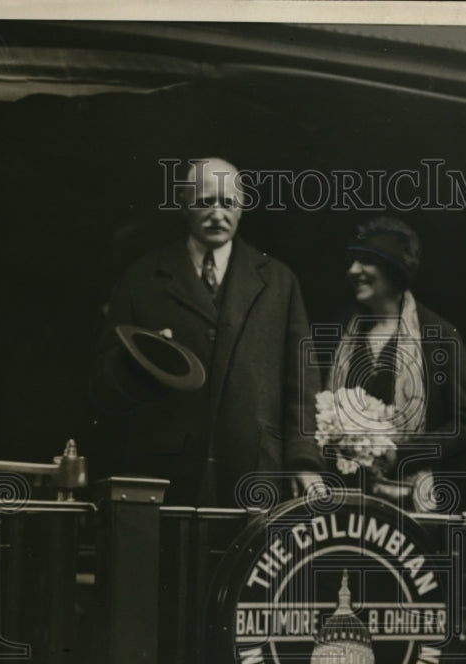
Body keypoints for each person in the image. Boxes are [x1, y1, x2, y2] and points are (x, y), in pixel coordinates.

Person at [90, 157, 324, 507]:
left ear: (242, 208)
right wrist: (138, 364)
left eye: (228, 203)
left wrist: (304, 461)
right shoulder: (142, 279)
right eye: (205, 201)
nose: (217, 213)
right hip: (165, 472)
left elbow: (302, 382)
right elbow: (105, 384)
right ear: (184, 204)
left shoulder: (278, 281)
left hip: (255, 470)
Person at [323, 216, 466, 501]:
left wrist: (400, 454)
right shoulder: (342, 333)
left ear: (393, 269)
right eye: (352, 261)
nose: (353, 270)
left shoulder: (438, 336)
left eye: (366, 261)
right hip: (346, 498)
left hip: (413, 500)